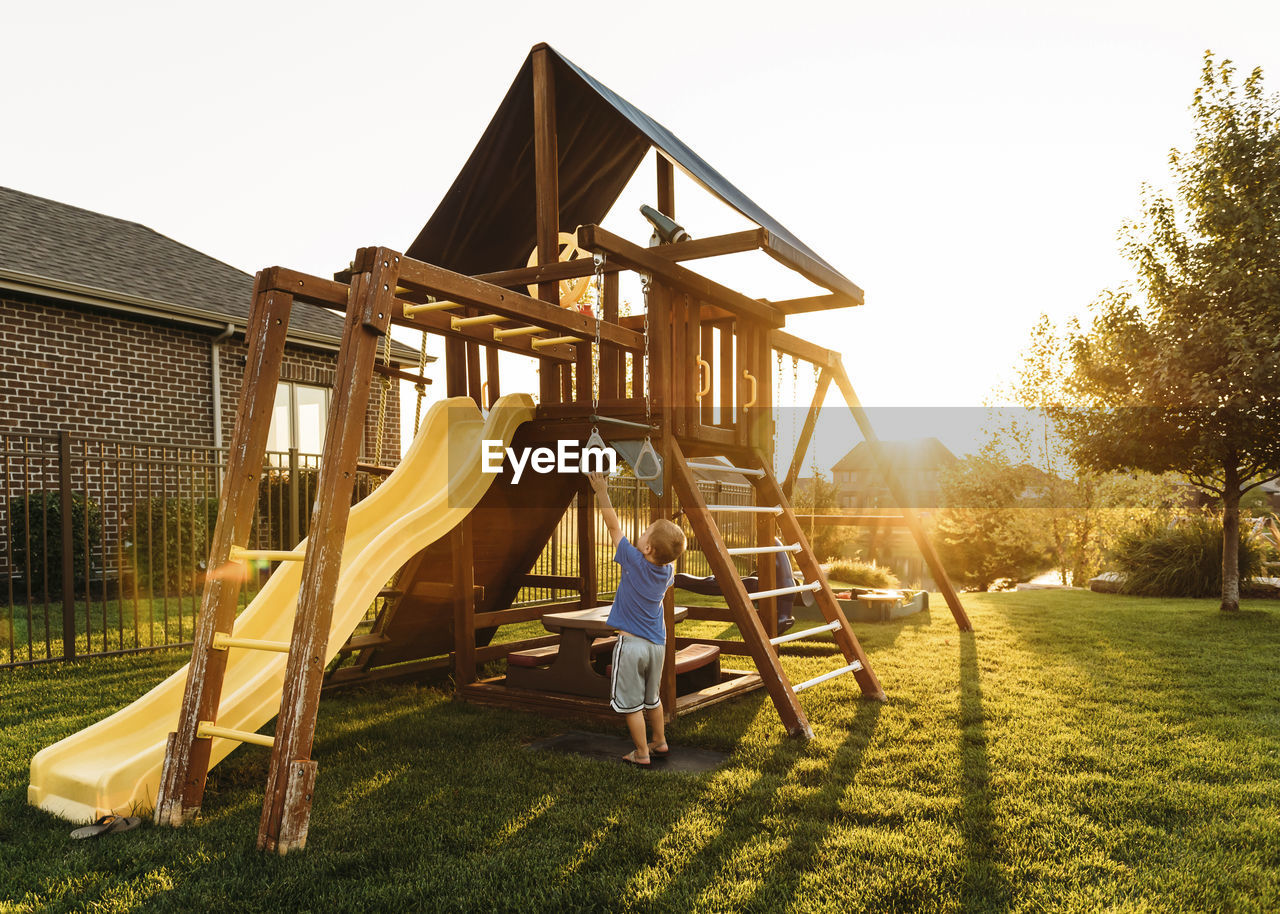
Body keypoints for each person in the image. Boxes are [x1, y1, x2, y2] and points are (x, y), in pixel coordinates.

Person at [586, 471, 686, 766]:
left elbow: (613, 525)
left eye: (644, 533)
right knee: (652, 698)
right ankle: (660, 741)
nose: (639, 534)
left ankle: (642, 752)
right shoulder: (667, 571)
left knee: (631, 704)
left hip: (631, 646)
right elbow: (666, 574)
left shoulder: (633, 560)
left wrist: (602, 491)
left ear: (647, 549)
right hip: (657, 645)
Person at [673, 539, 808, 634]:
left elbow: (768, 567)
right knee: (716, 585)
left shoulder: (775, 545)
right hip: (759, 585)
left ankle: (678, 580)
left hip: (760, 584)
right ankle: (678, 580)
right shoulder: (787, 589)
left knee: (715, 584)